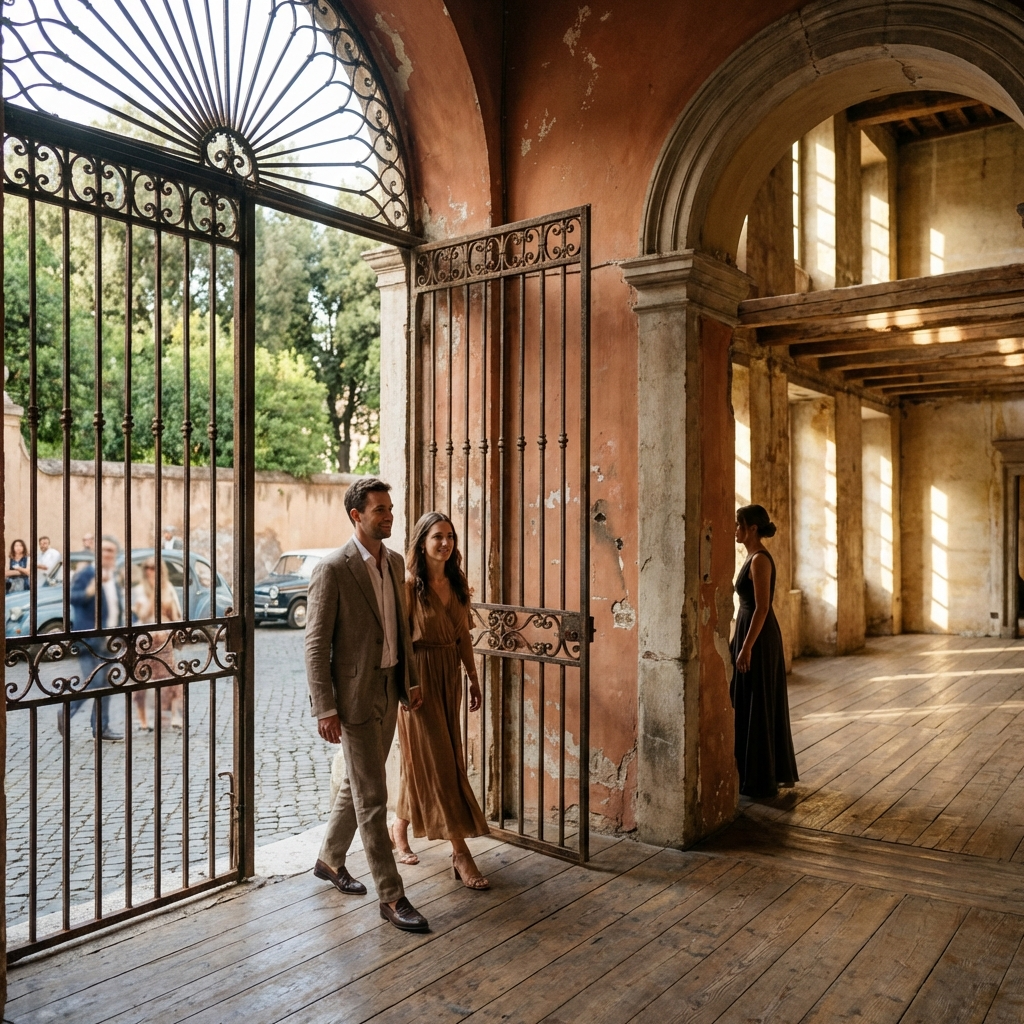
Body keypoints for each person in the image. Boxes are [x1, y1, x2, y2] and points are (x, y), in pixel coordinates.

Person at [304, 477, 429, 933]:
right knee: (373, 797)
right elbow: (316, 645)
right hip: (353, 700)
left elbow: (401, 629)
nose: (389, 515)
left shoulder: (395, 563)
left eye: (390, 508)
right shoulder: (333, 569)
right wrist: (325, 708)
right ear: (357, 515)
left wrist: (409, 681)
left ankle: (329, 860)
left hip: (389, 690)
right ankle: (392, 897)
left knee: (355, 786)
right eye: (379, 510)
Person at [390, 511, 490, 889]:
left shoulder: (457, 581)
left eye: (450, 536)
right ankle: (460, 852)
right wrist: (405, 686)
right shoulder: (408, 586)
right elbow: (399, 642)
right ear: (421, 542)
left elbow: (463, 634)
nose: (445, 543)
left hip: (449, 677)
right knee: (441, 763)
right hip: (419, 681)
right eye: (437, 537)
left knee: (428, 759)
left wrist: (473, 677)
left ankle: (397, 829)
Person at [731, 504, 798, 798]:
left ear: (752, 529)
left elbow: (762, 608)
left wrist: (746, 647)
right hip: (747, 631)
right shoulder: (749, 558)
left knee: (758, 704)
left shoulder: (760, 560)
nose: (735, 530)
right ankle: (748, 772)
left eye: (739, 524)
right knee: (745, 701)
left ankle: (760, 778)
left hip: (758, 637)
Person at [66, 535, 124, 741]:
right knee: (94, 682)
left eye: (111, 551)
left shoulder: (113, 576)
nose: (108, 554)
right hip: (88, 638)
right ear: (97, 553)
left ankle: (101, 729)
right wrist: (90, 590)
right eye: (105, 550)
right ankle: (67, 711)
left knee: (106, 683)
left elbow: (116, 606)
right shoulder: (86, 573)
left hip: (109, 638)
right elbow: (72, 597)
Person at [131, 557, 183, 731]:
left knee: (171, 679)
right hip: (145, 640)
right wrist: (154, 594)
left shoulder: (168, 589)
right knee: (142, 682)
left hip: (164, 639)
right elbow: (144, 615)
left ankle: (174, 716)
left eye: (154, 568)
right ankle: (143, 720)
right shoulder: (139, 591)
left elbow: (176, 615)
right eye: (147, 567)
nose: (149, 571)